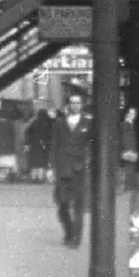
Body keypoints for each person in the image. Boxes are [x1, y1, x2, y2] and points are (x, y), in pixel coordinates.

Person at [50, 91, 94, 248]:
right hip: (62, 170)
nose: (75, 105)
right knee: (62, 206)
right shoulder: (59, 123)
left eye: (78, 102)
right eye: (73, 102)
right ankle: (69, 232)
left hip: (79, 170)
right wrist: (51, 168)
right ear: (68, 104)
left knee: (78, 207)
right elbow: (54, 145)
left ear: (81, 105)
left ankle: (76, 239)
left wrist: (88, 161)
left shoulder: (88, 123)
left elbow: (94, 145)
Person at [23, 103, 54, 182]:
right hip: (44, 145)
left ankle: (34, 177)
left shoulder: (34, 123)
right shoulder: (48, 123)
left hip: (33, 145)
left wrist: (27, 143)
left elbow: (27, 132)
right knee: (41, 162)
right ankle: (40, 177)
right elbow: (50, 134)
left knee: (34, 162)